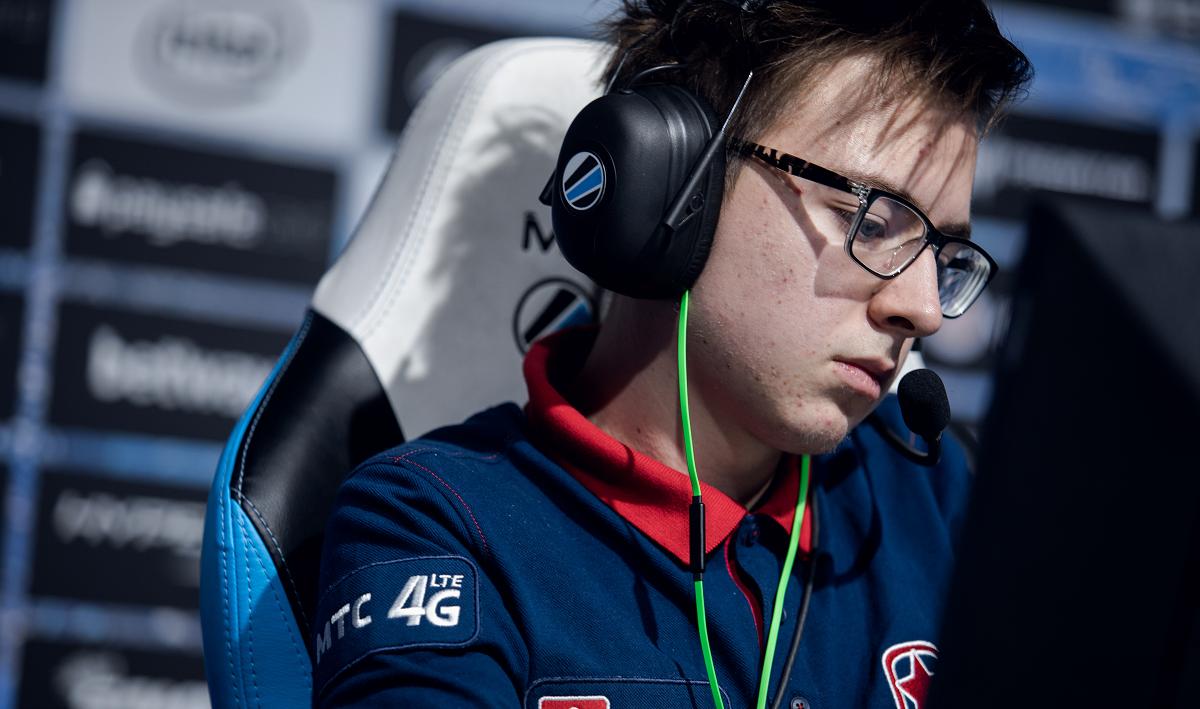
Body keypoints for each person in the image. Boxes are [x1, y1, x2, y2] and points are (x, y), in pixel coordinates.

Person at [312, 1, 1032, 707]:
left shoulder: (930, 499)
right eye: (869, 221)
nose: (924, 310)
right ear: (672, 184)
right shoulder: (431, 524)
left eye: (943, 253)